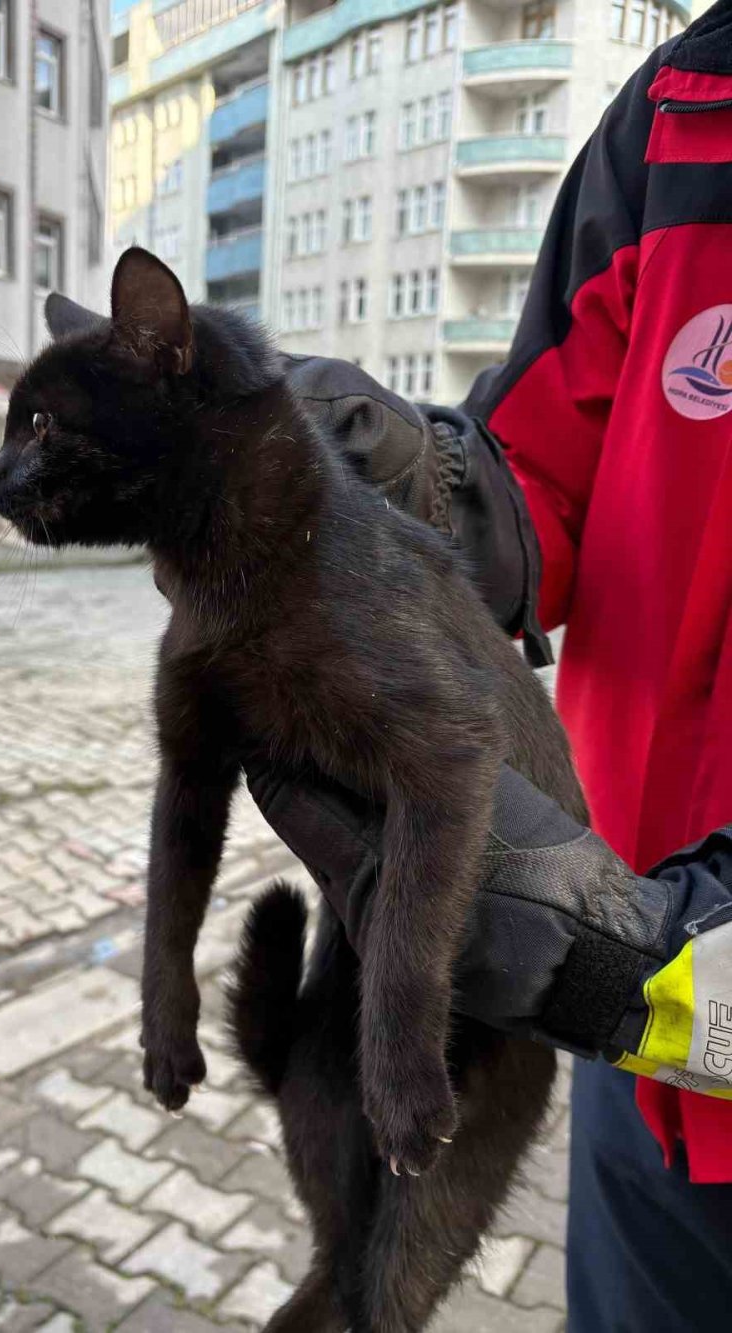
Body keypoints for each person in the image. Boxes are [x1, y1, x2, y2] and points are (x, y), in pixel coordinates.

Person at [247, 2, 732, 1328]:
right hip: (653, 1075)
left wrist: (649, 963)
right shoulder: (682, 118)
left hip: (654, 982)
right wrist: (429, 482)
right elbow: (549, 479)